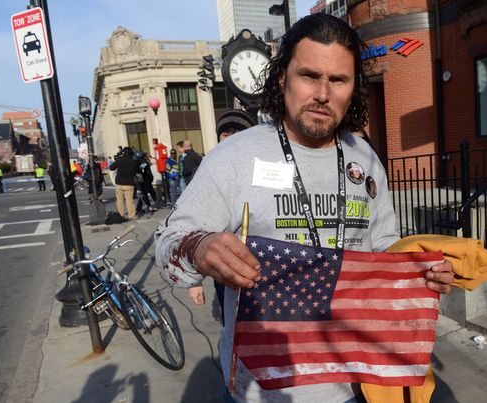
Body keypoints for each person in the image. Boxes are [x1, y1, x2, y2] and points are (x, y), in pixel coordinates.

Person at [155, 14, 453, 402]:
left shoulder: (365, 158)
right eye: (309, 76)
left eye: (338, 80)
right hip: (264, 389)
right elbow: (167, 245)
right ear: (283, 78)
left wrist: (419, 271)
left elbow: (383, 248)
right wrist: (199, 246)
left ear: (352, 88)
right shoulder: (235, 157)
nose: (323, 94)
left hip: (355, 382)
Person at [187, 109, 257, 317]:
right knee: (233, 325)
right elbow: (194, 226)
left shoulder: (269, 166)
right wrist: (194, 280)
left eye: (239, 132)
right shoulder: (210, 169)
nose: (232, 138)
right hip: (226, 266)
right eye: (226, 134)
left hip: (265, 263)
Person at [109, 147, 138, 220]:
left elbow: (111, 168)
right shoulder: (133, 161)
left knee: (119, 200)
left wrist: (117, 159)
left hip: (119, 183)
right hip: (129, 183)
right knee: (129, 200)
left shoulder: (120, 160)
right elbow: (137, 170)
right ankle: (131, 215)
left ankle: (121, 215)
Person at [152, 138, 170, 206]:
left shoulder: (160, 149)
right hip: (161, 165)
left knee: (165, 182)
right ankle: (166, 197)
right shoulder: (158, 149)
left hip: (162, 165)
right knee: (164, 183)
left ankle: (167, 197)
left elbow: (163, 156)